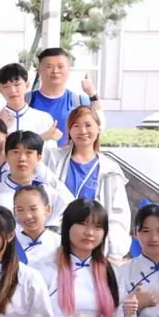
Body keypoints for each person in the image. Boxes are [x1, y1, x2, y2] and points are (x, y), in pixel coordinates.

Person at [44, 105, 129, 259]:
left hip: (94, 245)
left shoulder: (110, 170)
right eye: (76, 126)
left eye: (88, 125)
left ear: (98, 129)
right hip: (58, 241)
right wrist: (44, 137)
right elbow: (25, 151)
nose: (82, 131)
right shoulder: (53, 159)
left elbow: (119, 214)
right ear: (69, 131)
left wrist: (114, 252)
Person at [29, 47, 102, 145]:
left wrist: (92, 94)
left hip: (69, 154)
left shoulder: (79, 101)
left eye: (60, 66)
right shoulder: (27, 100)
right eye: (49, 67)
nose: (55, 71)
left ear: (69, 70)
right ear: (38, 70)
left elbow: (99, 126)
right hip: (34, 154)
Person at [0, 63, 59, 140]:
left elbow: (50, 148)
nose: (12, 90)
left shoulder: (44, 118)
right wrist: (1, 127)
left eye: (17, 84)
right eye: (6, 86)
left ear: (27, 84)